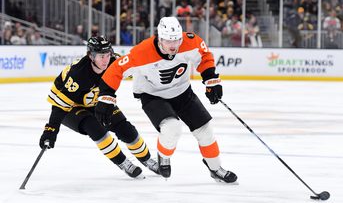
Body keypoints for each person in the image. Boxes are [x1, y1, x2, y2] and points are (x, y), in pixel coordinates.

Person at [95, 17, 237, 183]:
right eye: (168, 40)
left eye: (177, 40)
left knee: (205, 131)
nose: (173, 45)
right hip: (153, 95)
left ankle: (215, 169)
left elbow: (204, 56)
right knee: (172, 128)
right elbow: (115, 70)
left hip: (183, 92)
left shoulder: (190, 41)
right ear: (159, 38)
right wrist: (106, 98)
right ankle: (164, 156)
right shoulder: (141, 53)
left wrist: (211, 80)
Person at [39, 36, 159, 179]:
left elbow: (135, 69)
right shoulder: (78, 74)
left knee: (126, 130)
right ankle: (123, 162)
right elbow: (60, 106)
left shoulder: (113, 62)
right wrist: (51, 130)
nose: (105, 60)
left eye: (108, 55)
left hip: (96, 102)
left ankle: (146, 159)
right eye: (101, 56)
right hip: (70, 108)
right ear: (91, 56)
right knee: (96, 128)